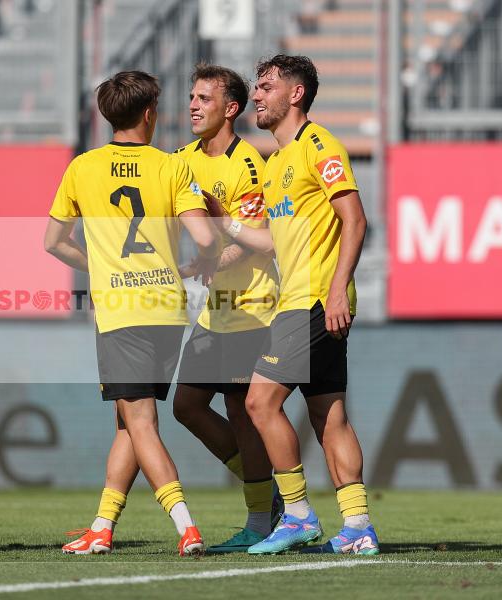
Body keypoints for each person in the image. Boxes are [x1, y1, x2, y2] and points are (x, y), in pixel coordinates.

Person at [204, 54, 378, 555]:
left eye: (265, 87)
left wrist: (338, 289)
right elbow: (273, 242)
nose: (256, 97)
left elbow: (355, 219)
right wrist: (226, 227)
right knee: (329, 416)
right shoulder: (277, 162)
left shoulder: (317, 144)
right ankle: (358, 527)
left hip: (314, 299)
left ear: (295, 94)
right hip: (299, 300)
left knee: (259, 402)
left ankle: (298, 514)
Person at [44, 70, 221, 557]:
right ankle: (102, 527)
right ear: (148, 113)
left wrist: (100, 265)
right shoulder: (171, 167)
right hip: (167, 309)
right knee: (128, 420)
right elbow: (205, 238)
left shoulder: (83, 168)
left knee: (140, 422)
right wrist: (205, 258)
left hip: (122, 311)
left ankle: (187, 527)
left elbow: (53, 242)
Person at [172, 64, 282, 553]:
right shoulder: (180, 160)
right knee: (187, 406)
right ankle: (267, 493)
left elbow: (257, 240)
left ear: (231, 108)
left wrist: (206, 263)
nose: (193, 106)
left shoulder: (248, 164)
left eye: (204, 98)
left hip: (251, 306)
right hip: (213, 310)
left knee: (241, 410)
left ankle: (259, 519)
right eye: (192, 97)